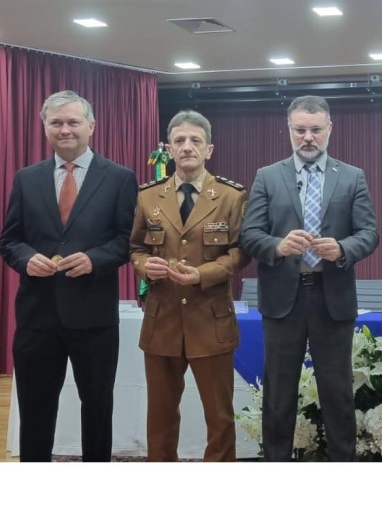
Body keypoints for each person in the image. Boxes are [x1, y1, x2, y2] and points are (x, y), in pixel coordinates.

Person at [0, 90, 138, 462]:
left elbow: (128, 240)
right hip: (37, 317)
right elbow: (10, 239)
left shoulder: (120, 178)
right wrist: (27, 259)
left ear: (91, 126)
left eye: (73, 122)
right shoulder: (26, 179)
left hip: (93, 317)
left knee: (97, 409)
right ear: (45, 127)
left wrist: (95, 259)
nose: (65, 129)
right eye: (56, 122)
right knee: (36, 412)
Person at [240, 95, 378, 461]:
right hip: (282, 302)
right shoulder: (267, 177)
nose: (308, 138)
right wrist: (279, 246)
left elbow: (369, 233)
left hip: (331, 299)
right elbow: (249, 234)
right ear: (289, 130)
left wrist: (344, 249)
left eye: (315, 130)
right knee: (279, 395)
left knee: (337, 393)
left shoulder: (352, 177)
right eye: (300, 130)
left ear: (329, 129)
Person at [129, 110, 249, 461]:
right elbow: (135, 248)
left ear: (209, 149)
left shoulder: (230, 196)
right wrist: (143, 266)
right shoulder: (148, 196)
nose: (187, 147)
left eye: (195, 140)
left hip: (210, 319)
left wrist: (203, 274)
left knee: (220, 418)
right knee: (161, 418)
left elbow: (241, 253)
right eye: (179, 141)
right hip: (162, 319)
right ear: (169, 148)